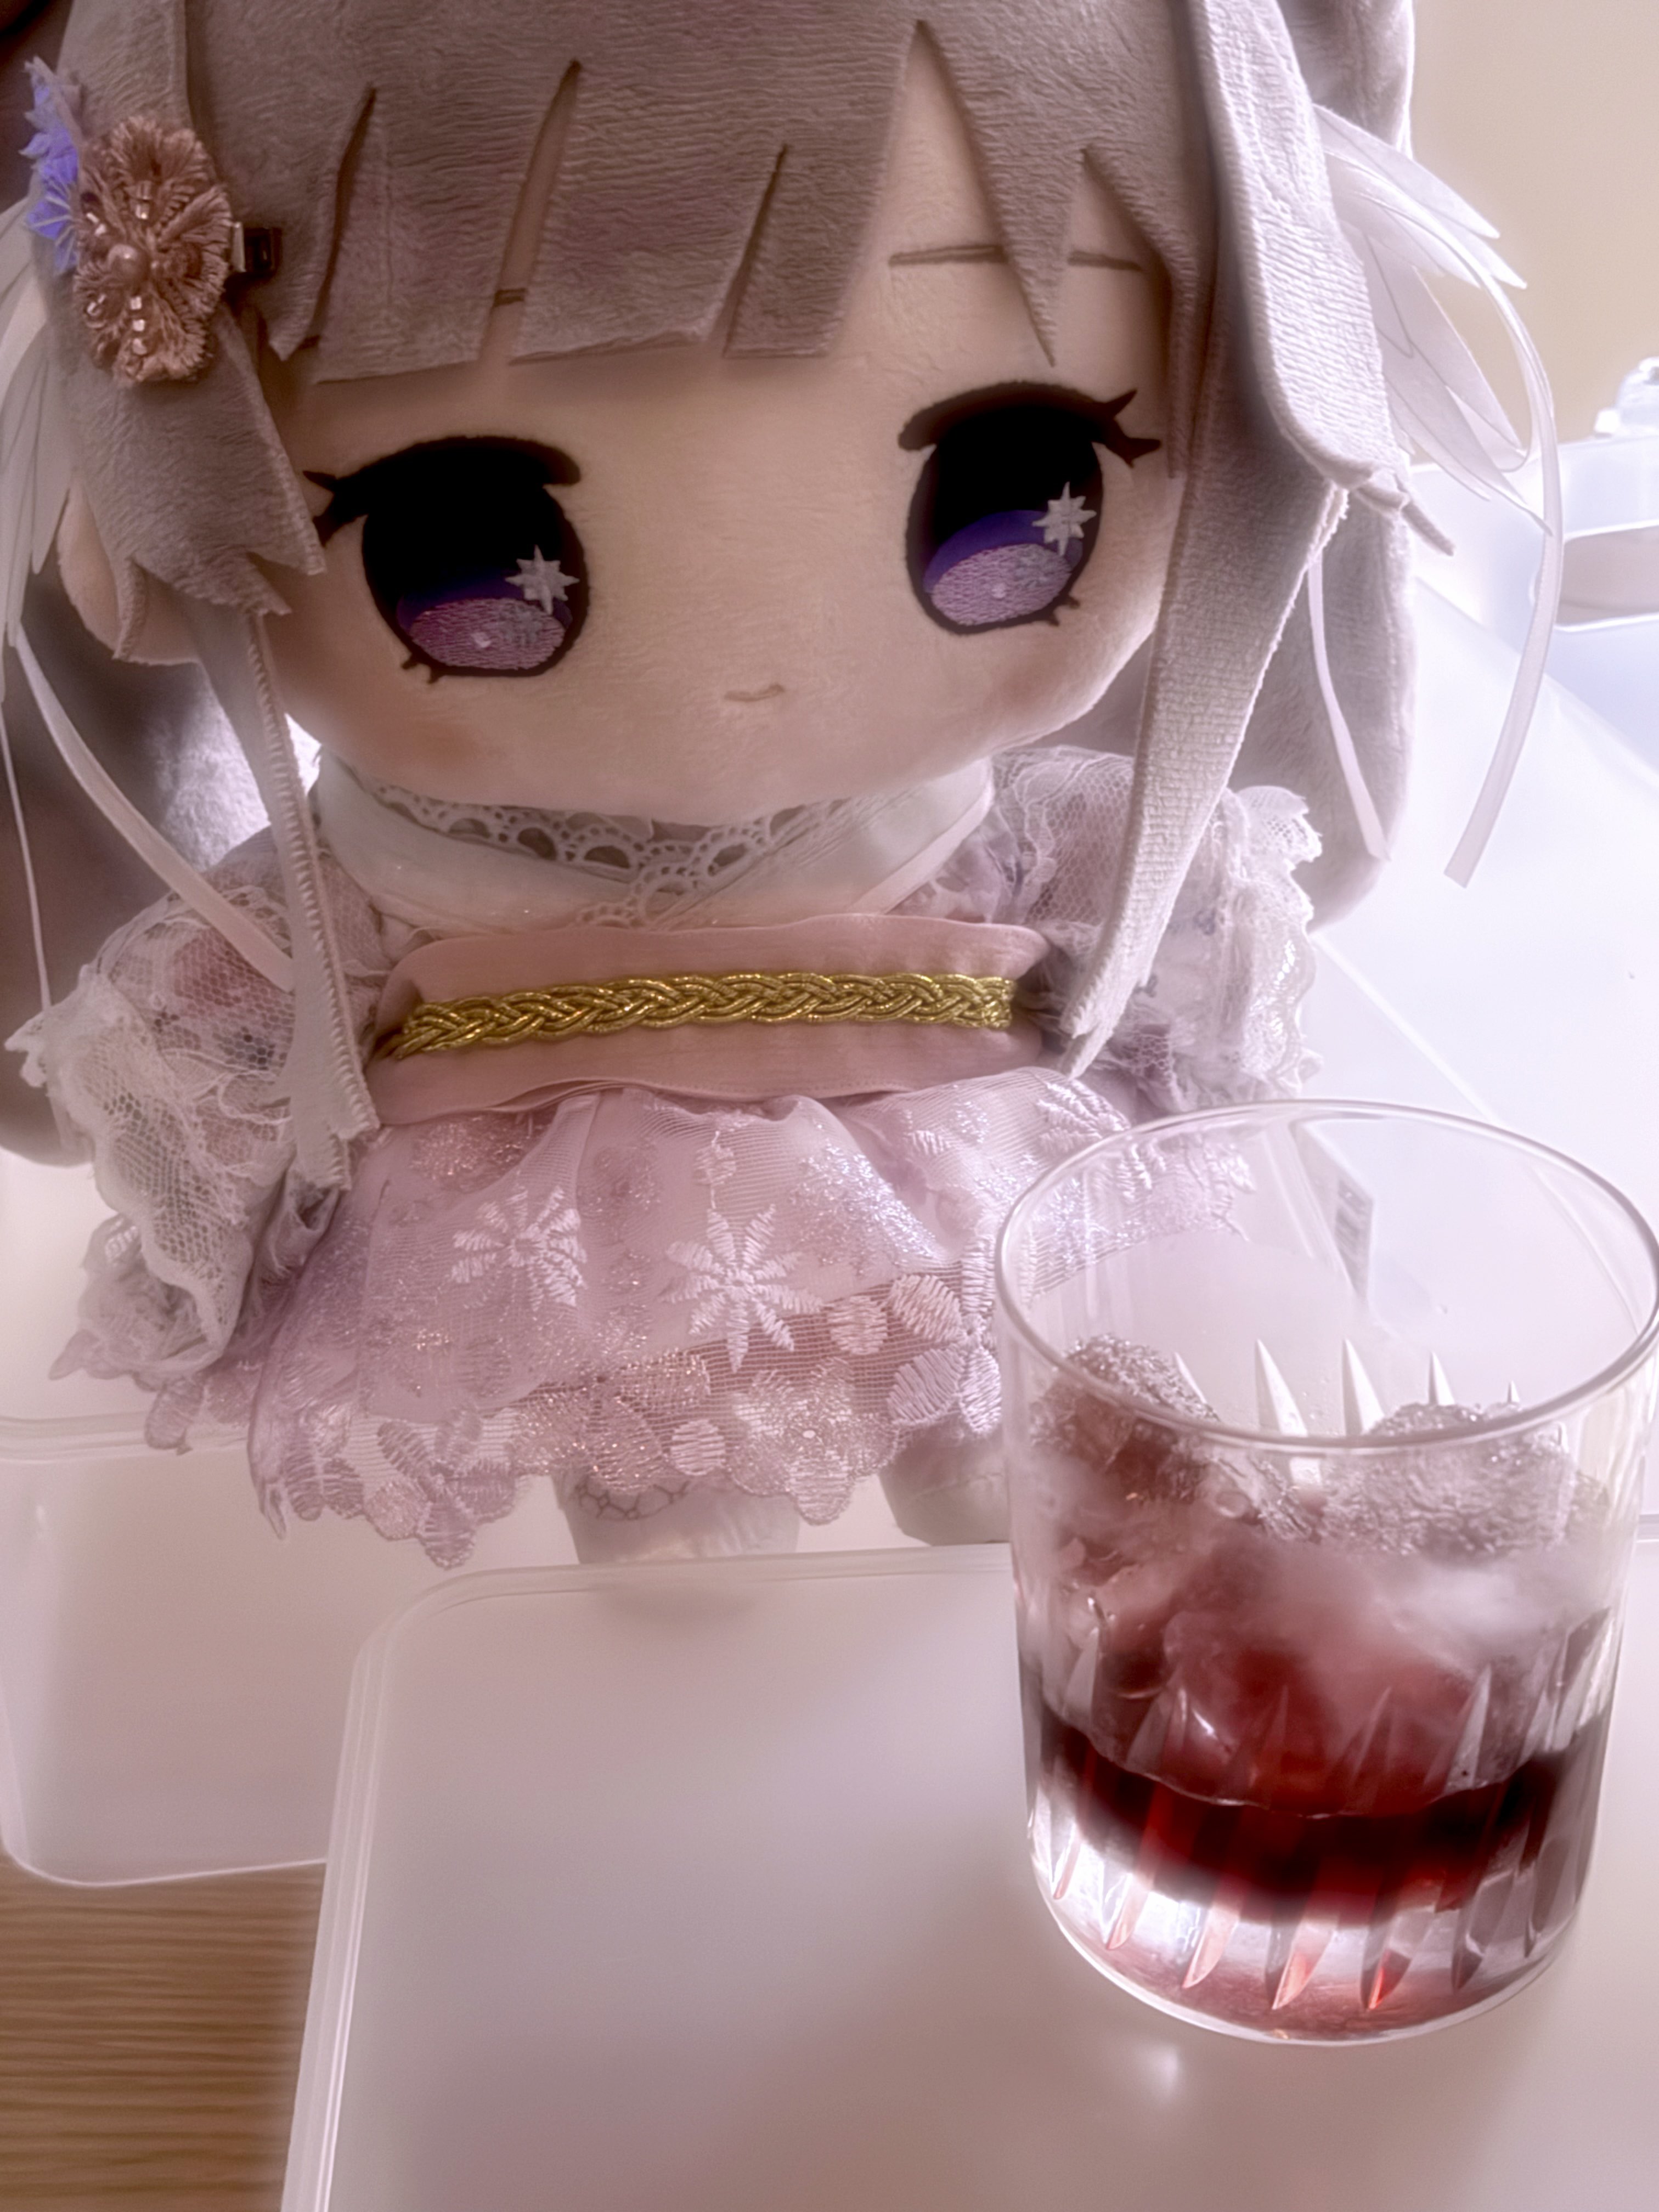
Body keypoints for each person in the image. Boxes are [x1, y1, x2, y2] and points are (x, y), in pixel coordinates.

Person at [0, 0, 1528, 1562]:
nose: (749, 674)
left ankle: (949, 1523)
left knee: (1036, 1483)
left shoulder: (1028, 834)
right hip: (565, 1232)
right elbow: (227, 1052)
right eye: (462, 559)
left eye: (1014, 502)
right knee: (681, 1556)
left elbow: (1152, 994)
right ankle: (677, 1575)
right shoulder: (355, 892)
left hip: (966, 1135)